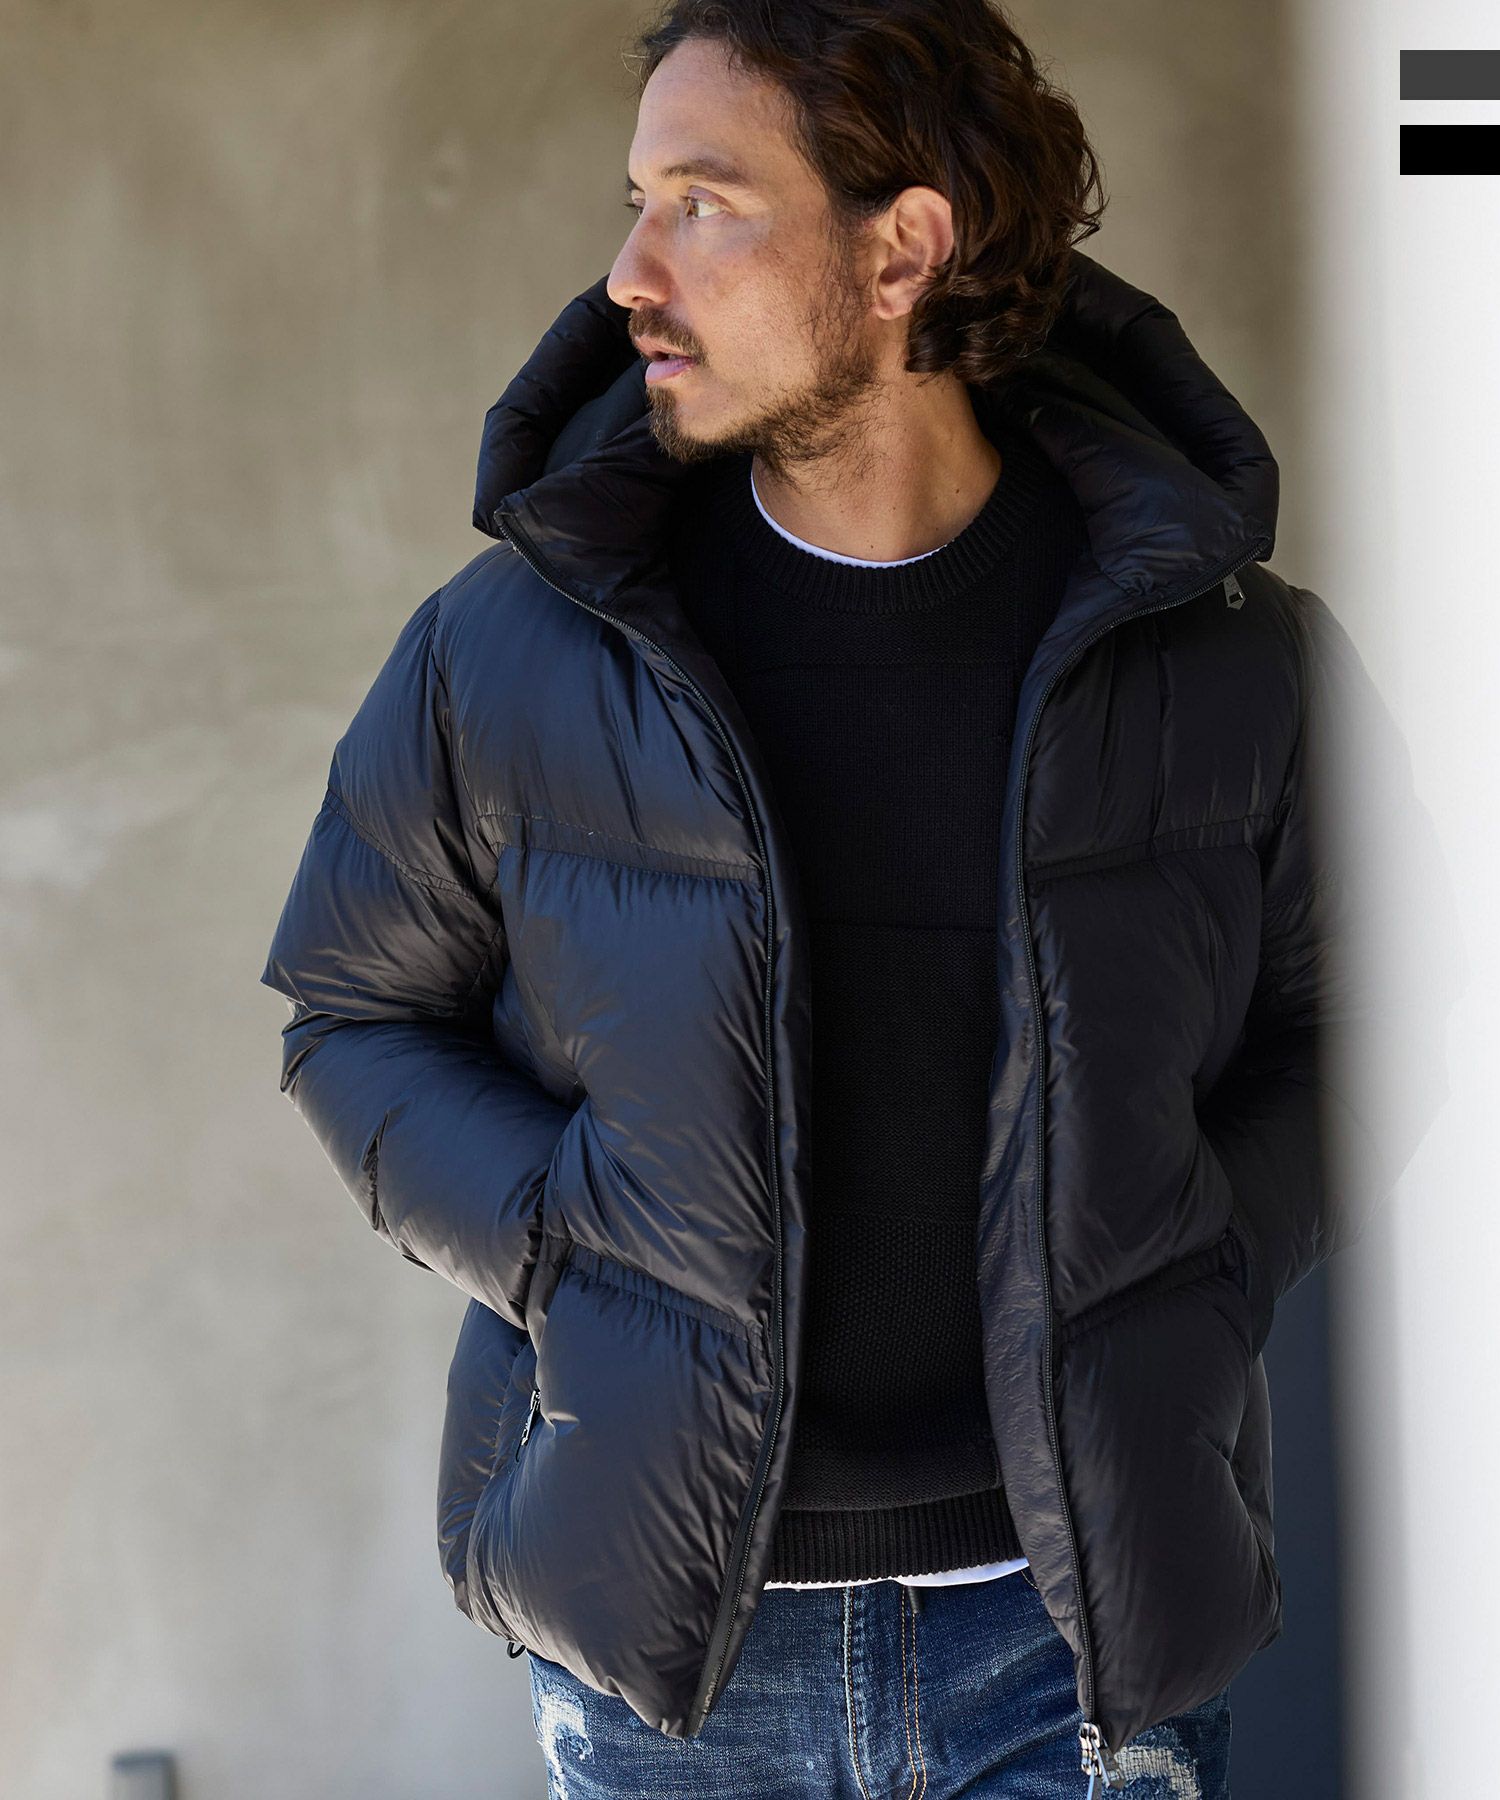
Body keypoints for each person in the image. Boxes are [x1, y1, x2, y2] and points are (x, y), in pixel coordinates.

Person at [260, 2, 1449, 1793]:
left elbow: (1384, 1014)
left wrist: (1205, 1243)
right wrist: (575, 1243)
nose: (630, 273)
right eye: (636, 201)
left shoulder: (1221, 657)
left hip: (1071, 1646)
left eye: (702, 202)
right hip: (682, 1663)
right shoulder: (517, 651)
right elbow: (352, 1012)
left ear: (902, 249)